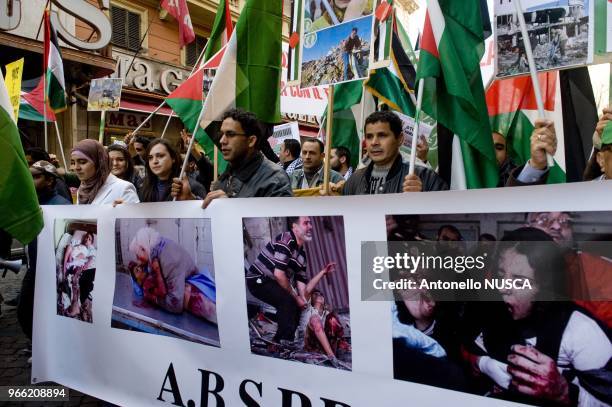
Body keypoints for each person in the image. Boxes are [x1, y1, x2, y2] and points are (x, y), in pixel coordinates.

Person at [463, 227, 611, 406]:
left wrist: (564, 393)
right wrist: (481, 363)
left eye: (519, 281)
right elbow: (464, 348)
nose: (502, 288)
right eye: (501, 275)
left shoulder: (582, 331)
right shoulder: (492, 310)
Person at [246, 217, 333, 343]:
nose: (310, 227)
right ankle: (283, 342)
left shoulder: (302, 256)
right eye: (306, 223)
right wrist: (296, 298)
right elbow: (279, 274)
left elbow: (301, 285)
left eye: (310, 223)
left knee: (295, 304)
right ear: (295, 227)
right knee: (288, 301)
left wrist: (302, 299)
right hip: (257, 279)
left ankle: (285, 339)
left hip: (271, 281)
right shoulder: (286, 240)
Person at [525, 211, 612, 328]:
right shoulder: (502, 267)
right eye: (544, 219)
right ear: (526, 227)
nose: (557, 226)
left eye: (564, 220)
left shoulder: (600, 270)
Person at [197, 108, 293, 208]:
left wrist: (230, 207)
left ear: (251, 141)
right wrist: (187, 197)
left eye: (230, 134)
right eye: (221, 134)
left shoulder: (275, 180)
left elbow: (280, 222)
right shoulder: (225, 177)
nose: (222, 141)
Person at [342, 111, 448, 195]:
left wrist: (422, 200)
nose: (374, 142)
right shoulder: (354, 180)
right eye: (369, 137)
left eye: (382, 135)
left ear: (400, 139)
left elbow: (446, 218)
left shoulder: (424, 177)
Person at [128, 227, 217, 324]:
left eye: (138, 255)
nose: (138, 261)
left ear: (143, 248)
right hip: (191, 283)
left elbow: (175, 305)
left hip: (197, 294)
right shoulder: (156, 247)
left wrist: (154, 298)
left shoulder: (168, 261)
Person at [71, 139, 139, 205]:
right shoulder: (83, 188)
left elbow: (135, 215)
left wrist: (125, 211)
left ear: (98, 162)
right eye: (73, 163)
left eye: (82, 162)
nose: (76, 168)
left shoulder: (124, 188)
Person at [140, 138, 205, 202]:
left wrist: (191, 199)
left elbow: (204, 210)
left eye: (160, 156)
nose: (154, 161)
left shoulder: (190, 186)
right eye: (150, 158)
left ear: (173, 158)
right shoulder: (144, 185)